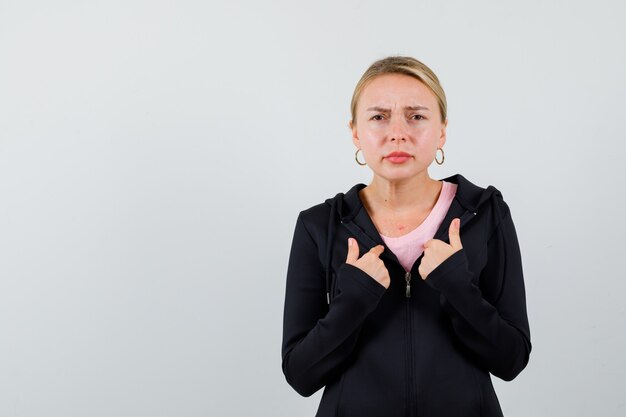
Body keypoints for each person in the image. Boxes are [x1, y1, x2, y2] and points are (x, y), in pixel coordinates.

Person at [281, 56, 531, 417]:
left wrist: (456, 285)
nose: (398, 132)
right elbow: (300, 374)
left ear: (442, 130)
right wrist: (354, 300)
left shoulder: (485, 214)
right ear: (355, 132)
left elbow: (512, 360)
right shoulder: (319, 225)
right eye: (379, 116)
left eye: (416, 116)